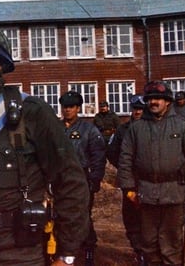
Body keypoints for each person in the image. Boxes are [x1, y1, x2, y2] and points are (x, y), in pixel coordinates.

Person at [0, 23, 89, 266]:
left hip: (15, 250)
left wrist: (67, 253)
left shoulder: (31, 113)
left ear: (0, 63)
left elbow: (70, 183)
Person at [117, 81, 185, 266]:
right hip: (145, 194)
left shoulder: (181, 126)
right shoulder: (136, 128)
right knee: (149, 243)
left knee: (171, 244)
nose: (154, 102)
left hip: (174, 194)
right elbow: (125, 159)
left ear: (168, 102)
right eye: (151, 98)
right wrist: (128, 188)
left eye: (159, 99)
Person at [60, 91, 106, 266]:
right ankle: (63, 251)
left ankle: (88, 251)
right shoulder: (56, 129)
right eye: (65, 107)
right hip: (60, 181)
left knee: (82, 216)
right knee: (58, 216)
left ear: (78, 108)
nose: (67, 110)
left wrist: (95, 179)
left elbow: (98, 156)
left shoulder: (89, 130)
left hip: (82, 180)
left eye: (71, 107)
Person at [106, 94, 146, 264]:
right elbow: (112, 152)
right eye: (135, 109)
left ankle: (150, 251)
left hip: (148, 180)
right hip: (130, 180)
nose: (137, 112)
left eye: (140, 109)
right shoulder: (123, 130)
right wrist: (125, 169)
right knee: (131, 217)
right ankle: (139, 250)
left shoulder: (151, 127)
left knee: (149, 218)